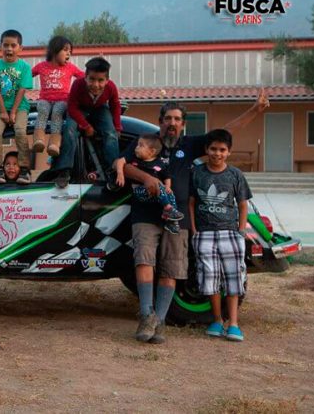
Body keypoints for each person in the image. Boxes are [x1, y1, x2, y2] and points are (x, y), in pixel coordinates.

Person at [121, 90, 269, 345]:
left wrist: (255, 110)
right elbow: (123, 164)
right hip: (145, 214)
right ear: (160, 121)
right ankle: (146, 315)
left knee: (171, 267)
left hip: (178, 219)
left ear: (183, 124)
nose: (172, 123)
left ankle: (160, 321)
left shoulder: (189, 145)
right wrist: (146, 178)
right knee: (143, 261)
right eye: (168, 118)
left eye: (177, 119)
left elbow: (225, 133)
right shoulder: (145, 141)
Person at [189, 129, 252, 342]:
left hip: (230, 233)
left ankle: (233, 323)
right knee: (210, 278)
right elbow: (191, 203)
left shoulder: (235, 174)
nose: (217, 153)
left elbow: (242, 204)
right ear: (206, 150)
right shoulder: (197, 173)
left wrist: (241, 231)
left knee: (234, 277)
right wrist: (194, 229)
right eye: (213, 149)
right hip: (204, 233)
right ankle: (216, 320)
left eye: (222, 150)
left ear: (229, 152)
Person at [53, 56, 122, 186]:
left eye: (100, 80)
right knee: (69, 130)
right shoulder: (77, 85)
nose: (96, 85)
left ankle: (112, 170)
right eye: (92, 79)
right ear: (85, 77)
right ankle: (64, 170)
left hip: (100, 108)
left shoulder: (111, 87)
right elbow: (72, 108)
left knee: (111, 133)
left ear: (107, 80)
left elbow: (115, 105)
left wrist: (117, 127)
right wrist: (86, 126)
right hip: (79, 108)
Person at [0, 29, 33, 185]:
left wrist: (13, 112)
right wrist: (3, 111)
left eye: (13, 45)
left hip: (20, 107)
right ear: (0, 46)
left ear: (20, 48)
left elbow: (22, 90)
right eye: (5, 45)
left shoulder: (25, 67)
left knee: (20, 131)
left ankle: (24, 169)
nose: (9, 49)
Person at [115, 134, 184, 235]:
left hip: (155, 195)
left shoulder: (160, 163)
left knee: (170, 194)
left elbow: (167, 176)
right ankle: (168, 208)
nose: (136, 147)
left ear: (152, 151)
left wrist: (168, 187)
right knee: (158, 185)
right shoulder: (134, 158)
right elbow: (120, 161)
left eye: (141, 145)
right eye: (137, 145)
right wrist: (120, 174)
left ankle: (172, 222)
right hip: (140, 191)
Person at [31, 36, 84, 157]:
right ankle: (38, 139)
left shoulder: (70, 67)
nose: (68, 53)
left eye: (70, 51)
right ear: (55, 50)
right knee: (43, 111)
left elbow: (84, 77)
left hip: (62, 100)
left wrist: (97, 66)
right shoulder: (42, 66)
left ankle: (54, 143)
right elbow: (27, 76)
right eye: (65, 50)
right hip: (45, 99)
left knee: (57, 113)